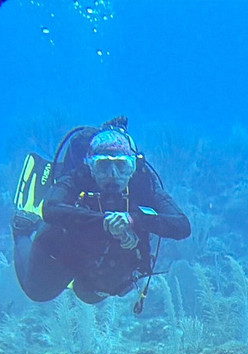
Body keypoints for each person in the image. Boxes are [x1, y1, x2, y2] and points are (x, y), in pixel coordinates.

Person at [12, 123, 191, 304]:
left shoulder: (143, 184)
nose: (113, 174)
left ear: (133, 167)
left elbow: (182, 225)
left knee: (89, 296)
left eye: (121, 166)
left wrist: (133, 220)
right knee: (38, 293)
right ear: (90, 166)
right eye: (103, 166)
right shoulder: (79, 177)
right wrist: (105, 221)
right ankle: (22, 230)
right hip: (67, 244)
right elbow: (51, 209)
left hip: (105, 255)